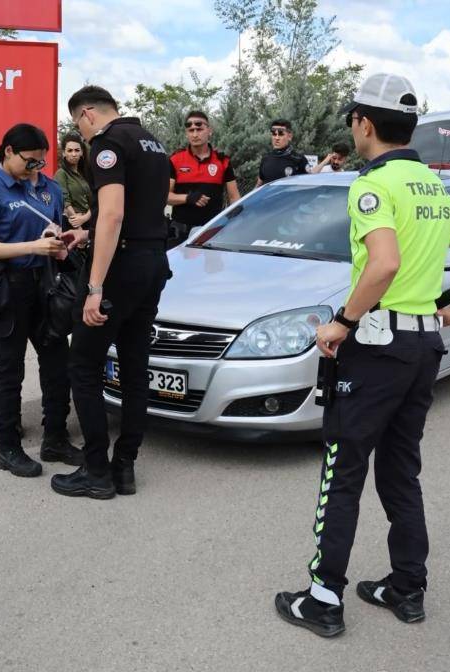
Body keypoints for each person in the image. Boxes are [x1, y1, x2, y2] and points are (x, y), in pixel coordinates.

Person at [274, 73, 450, 638]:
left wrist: (340, 323)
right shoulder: (431, 186)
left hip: (376, 345)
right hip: (423, 344)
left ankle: (322, 599)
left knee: (342, 472)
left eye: (353, 119)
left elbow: (384, 263)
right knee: (401, 470)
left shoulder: (373, 186)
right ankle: (406, 587)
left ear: (364, 124)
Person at [51, 85, 171, 500]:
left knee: (83, 365)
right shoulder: (153, 142)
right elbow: (134, 211)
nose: (82, 139)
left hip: (118, 270)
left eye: (79, 129)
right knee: (136, 367)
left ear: (87, 114)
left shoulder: (108, 143)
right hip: (152, 264)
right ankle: (125, 467)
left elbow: (116, 213)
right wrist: (84, 234)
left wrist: (95, 287)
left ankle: (96, 469)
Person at [0, 123, 85, 477]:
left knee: (57, 362)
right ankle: (8, 447)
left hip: (46, 284)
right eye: (29, 161)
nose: (36, 168)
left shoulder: (51, 188)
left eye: (40, 162)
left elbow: (51, 227)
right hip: (8, 285)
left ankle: (55, 437)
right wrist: (33, 246)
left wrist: (55, 238)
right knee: (9, 369)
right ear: (8, 152)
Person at [166, 110, 241, 247]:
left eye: (199, 129)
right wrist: (188, 198)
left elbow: (234, 198)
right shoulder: (175, 160)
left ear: (209, 131)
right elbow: (164, 197)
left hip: (212, 233)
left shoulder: (222, 161)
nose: (195, 134)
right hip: (180, 234)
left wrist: (234, 225)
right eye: (191, 130)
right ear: (186, 133)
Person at [54, 133, 93, 230]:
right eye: (70, 150)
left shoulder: (87, 173)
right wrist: (79, 227)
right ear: (64, 153)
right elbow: (65, 203)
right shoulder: (61, 174)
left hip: (91, 220)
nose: (74, 154)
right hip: (71, 224)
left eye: (77, 150)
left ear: (82, 152)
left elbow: (97, 199)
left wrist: (85, 217)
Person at [255, 119, 309, 187]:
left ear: (289, 136)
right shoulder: (266, 158)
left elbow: (308, 185)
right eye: (274, 134)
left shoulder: (299, 159)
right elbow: (259, 184)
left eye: (281, 134)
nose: (276, 138)